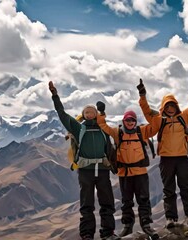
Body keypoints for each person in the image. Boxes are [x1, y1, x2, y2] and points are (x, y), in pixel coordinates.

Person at [48, 82, 117, 240]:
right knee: (87, 205)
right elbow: (62, 114)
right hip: (85, 171)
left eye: (92, 112)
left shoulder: (103, 128)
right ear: (83, 114)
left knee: (107, 203)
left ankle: (108, 233)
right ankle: (87, 235)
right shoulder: (79, 128)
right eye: (86, 112)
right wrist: (55, 96)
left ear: (96, 115)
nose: (89, 114)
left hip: (103, 170)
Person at [137, 79, 188, 228]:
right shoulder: (159, 120)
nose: (170, 108)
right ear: (163, 107)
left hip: (182, 158)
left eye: (172, 105)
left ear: (176, 106)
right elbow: (147, 110)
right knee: (168, 189)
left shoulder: (183, 117)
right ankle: (171, 218)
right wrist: (142, 94)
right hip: (166, 160)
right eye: (167, 105)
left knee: (186, 187)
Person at [95, 103, 159, 240]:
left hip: (140, 172)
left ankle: (146, 225)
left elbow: (155, 127)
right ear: (123, 121)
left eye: (132, 120)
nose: (130, 122)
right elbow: (103, 126)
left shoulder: (142, 132)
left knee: (144, 200)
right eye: (127, 120)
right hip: (124, 173)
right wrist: (101, 112)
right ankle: (127, 226)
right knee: (126, 201)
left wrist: (154, 113)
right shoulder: (118, 133)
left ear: (135, 122)